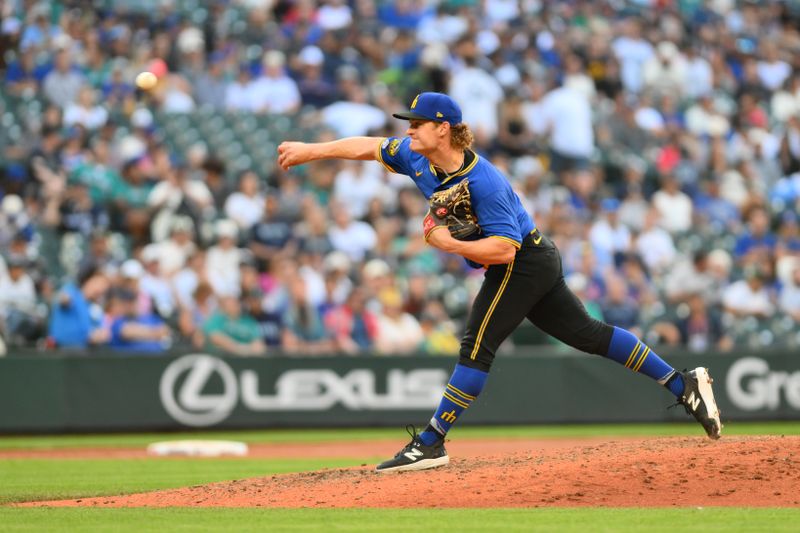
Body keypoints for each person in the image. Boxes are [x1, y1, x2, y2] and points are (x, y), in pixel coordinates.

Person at [277, 91, 723, 473]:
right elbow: (369, 147)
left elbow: (505, 250)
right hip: (529, 260)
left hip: (522, 261)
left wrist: (446, 243)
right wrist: (310, 150)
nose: (408, 130)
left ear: (443, 129)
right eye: (408, 124)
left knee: (476, 345)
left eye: (417, 124)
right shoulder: (416, 155)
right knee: (588, 335)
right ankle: (683, 385)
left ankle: (431, 441)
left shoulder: (482, 181)